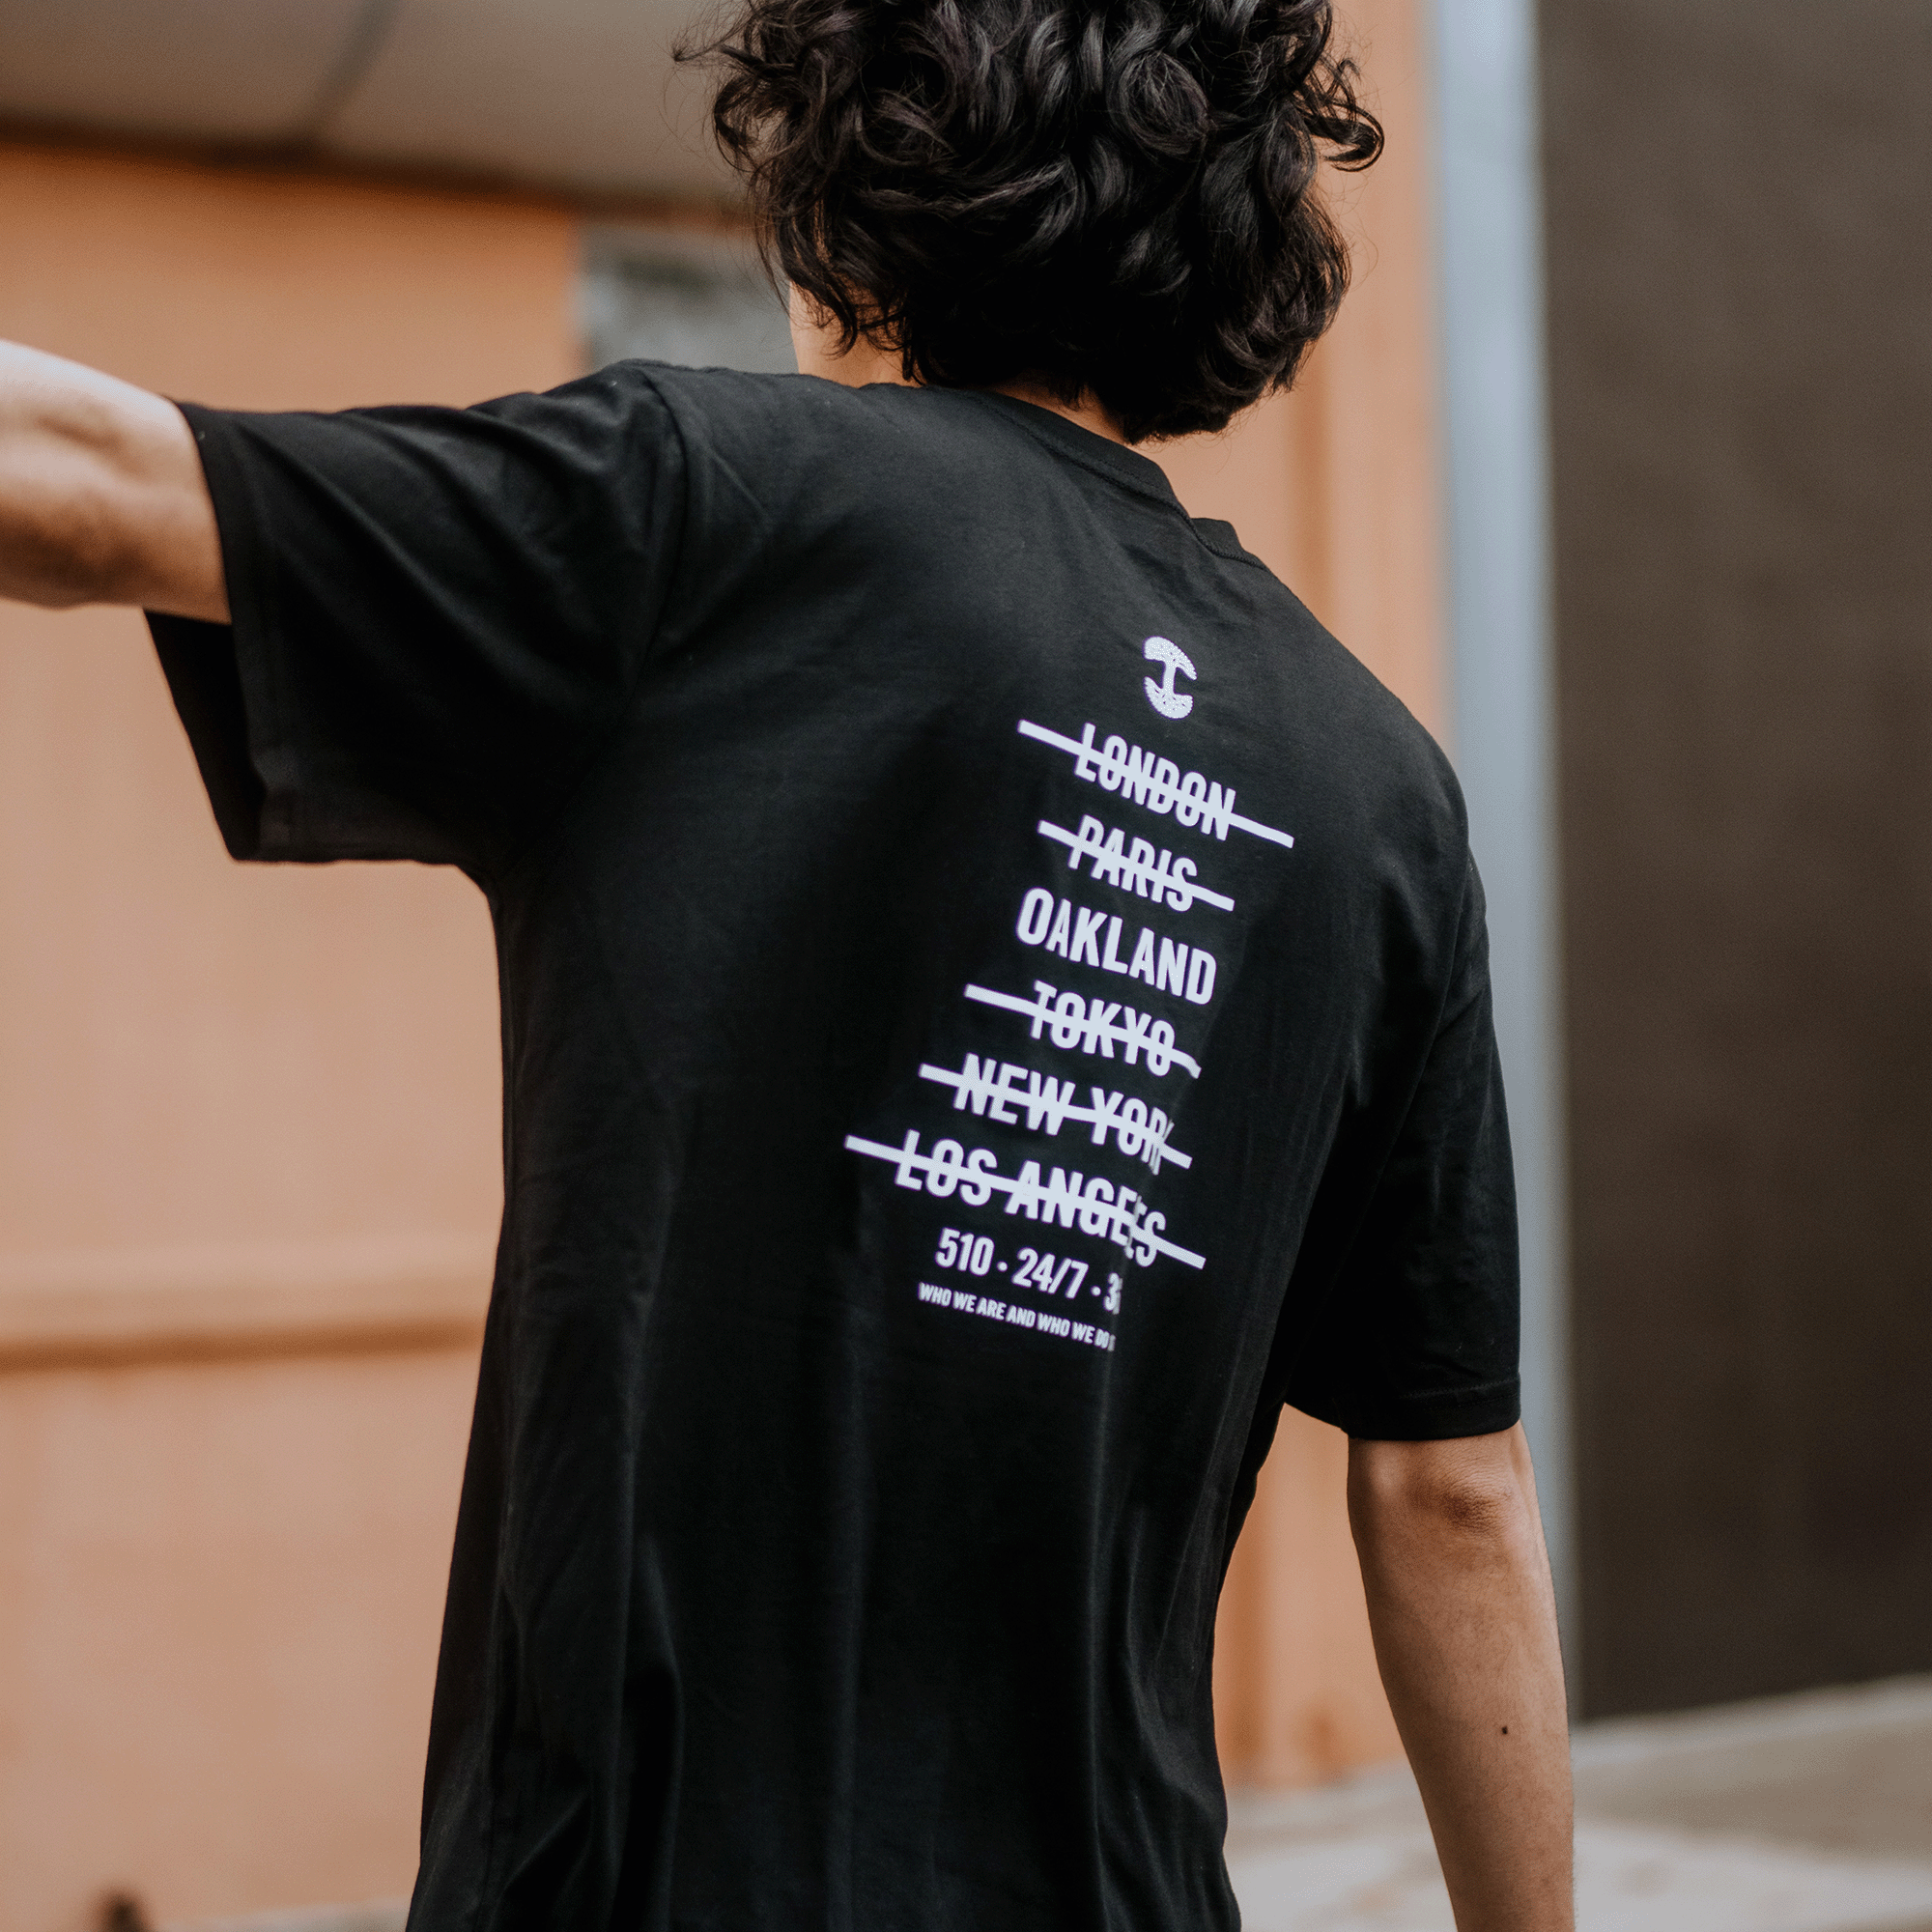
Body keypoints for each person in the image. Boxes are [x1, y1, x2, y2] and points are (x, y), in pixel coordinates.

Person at [0, 0, 1573, 1925]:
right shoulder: (1377, 787)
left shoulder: (706, 513)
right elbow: (1450, 1494)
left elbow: (85, 487)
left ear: (872, 141)